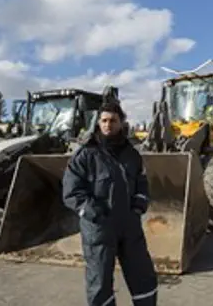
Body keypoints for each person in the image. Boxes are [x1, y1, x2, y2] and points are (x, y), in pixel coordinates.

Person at [62, 101, 158, 306]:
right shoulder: (85, 154)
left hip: (129, 226)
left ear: (121, 123)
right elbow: (72, 191)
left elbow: (141, 182)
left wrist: (138, 206)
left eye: (113, 121)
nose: (108, 125)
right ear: (98, 123)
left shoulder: (131, 154)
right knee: (99, 283)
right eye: (104, 120)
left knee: (143, 276)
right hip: (99, 228)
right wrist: (92, 212)